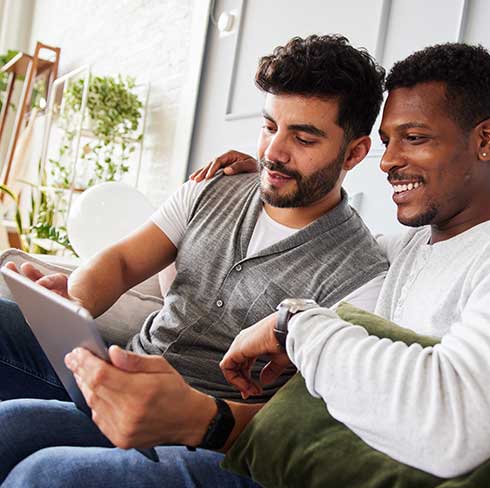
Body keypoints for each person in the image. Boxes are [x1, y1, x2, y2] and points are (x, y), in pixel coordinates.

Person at [0, 34, 387, 486]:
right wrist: (75, 297)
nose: (272, 152)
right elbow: (124, 261)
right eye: (268, 126)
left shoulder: (360, 277)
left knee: (36, 469)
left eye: (303, 138)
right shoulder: (214, 188)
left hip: (196, 433)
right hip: (126, 368)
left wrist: (200, 416)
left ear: (355, 152)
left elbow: (307, 420)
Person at [214, 43, 490, 478]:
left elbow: (453, 425)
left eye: (415, 138)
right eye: (387, 141)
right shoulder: (401, 249)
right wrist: (269, 174)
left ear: (485, 140)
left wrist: (292, 325)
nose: (388, 161)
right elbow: (322, 236)